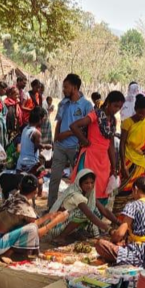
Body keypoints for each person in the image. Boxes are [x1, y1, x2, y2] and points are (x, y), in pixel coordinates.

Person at [0, 175, 67, 261]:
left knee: (29, 226)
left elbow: (35, 221)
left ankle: (22, 251)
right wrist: (56, 221)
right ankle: (6, 253)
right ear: (36, 191)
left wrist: (49, 216)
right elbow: (36, 232)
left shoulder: (14, 197)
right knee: (32, 228)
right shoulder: (24, 208)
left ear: (20, 186)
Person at [95, 177, 145, 268]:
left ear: (135, 189)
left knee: (100, 244)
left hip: (139, 255)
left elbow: (119, 234)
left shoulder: (133, 205)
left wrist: (112, 243)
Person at [70, 90, 124, 204]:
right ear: (108, 102)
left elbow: (111, 144)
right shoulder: (96, 114)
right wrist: (85, 141)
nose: (116, 110)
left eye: (119, 107)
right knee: (86, 189)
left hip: (103, 160)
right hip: (90, 157)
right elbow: (74, 126)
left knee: (101, 190)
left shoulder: (113, 120)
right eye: (115, 106)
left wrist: (114, 167)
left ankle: (94, 218)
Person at [49, 73, 94, 208]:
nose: (64, 90)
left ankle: (76, 209)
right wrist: (56, 139)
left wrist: (68, 133)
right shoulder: (63, 103)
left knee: (77, 180)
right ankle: (51, 208)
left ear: (75, 87)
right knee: (54, 179)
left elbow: (87, 127)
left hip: (76, 148)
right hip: (60, 146)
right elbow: (59, 122)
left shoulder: (86, 105)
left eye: (66, 87)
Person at [50, 169, 119, 244]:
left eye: (92, 183)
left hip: (66, 222)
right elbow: (89, 215)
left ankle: (76, 232)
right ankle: (60, 237)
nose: (90, 186)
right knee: (83, 213)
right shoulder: (75, 194)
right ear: (80, 183)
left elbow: (103, 210)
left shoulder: (88, 194)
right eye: (86, 183)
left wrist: (118, 222)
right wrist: (109, 229)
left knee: (95, 209)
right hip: (55, 227)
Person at [115, 95, 145, 214]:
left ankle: (135, 216)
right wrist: (123, 165)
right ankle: (119, 216)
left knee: (139, 190)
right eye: (140, 113)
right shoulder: (127, 122)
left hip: (142, 162)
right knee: (124, 190)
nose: (143, 116)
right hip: (128, 160)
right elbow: (122, 144)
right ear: (136, 109)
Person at [17, 107, 49, 172]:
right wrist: (46, 146)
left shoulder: (25, 129)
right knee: (42, 179)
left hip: (20, 164)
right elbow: (38, 146)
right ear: (40, 119)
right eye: (43, 118)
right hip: (30, 165)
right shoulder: (36, 133)